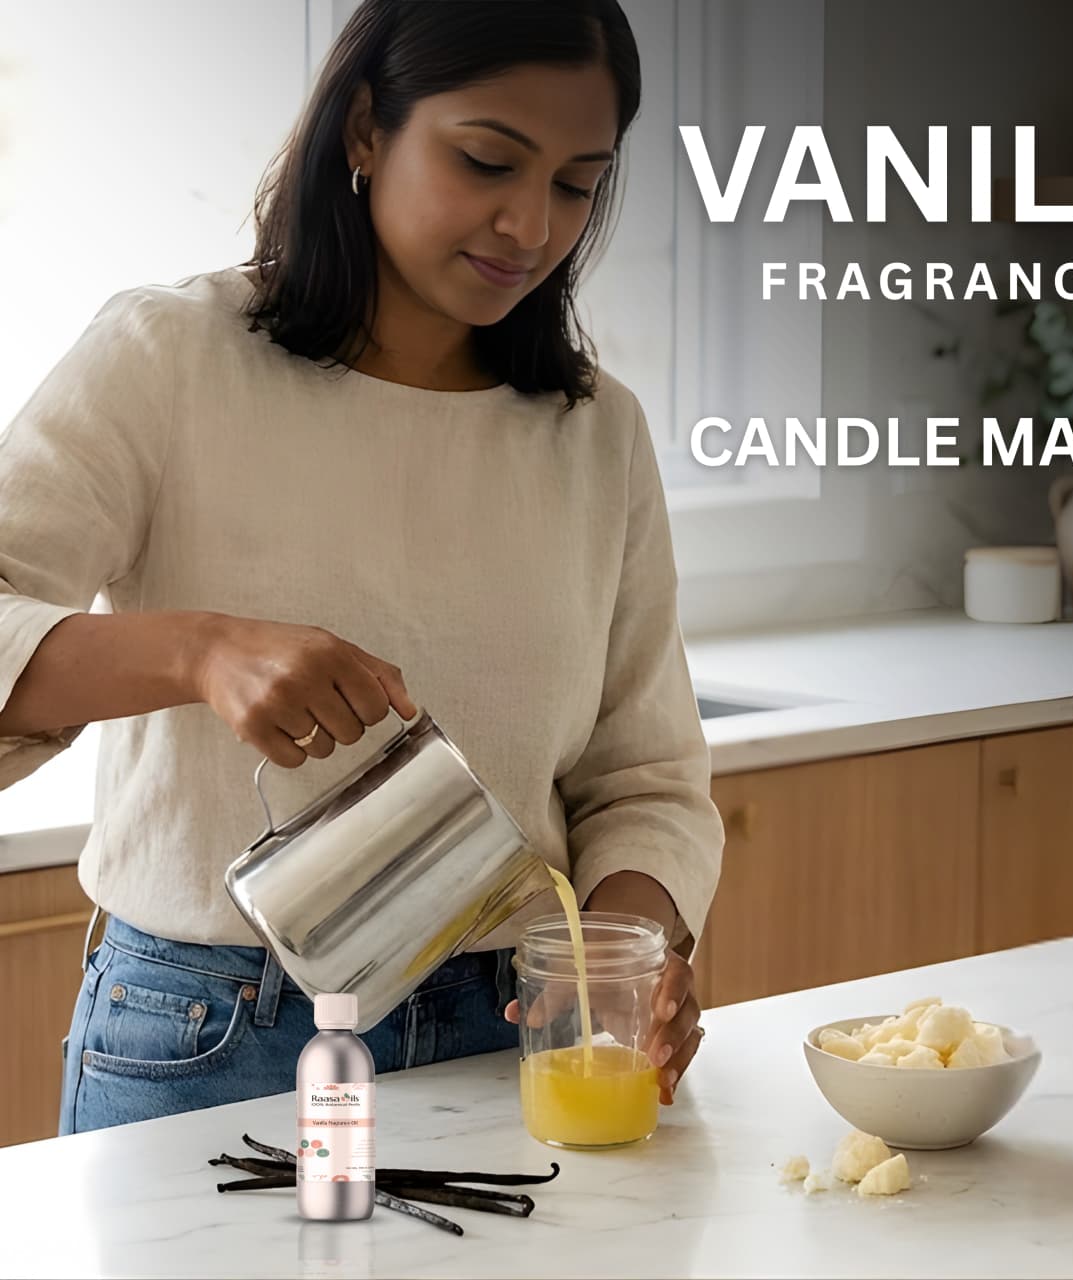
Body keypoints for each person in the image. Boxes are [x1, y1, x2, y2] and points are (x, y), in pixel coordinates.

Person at [0, 0, 723, 1135]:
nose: (530, 225)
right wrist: (198, 649)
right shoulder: (167, 359)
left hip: (511, 1029)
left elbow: (646, 779)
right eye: (487, 160)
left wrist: (623, 958)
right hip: (217, 1034)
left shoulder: (595, 434)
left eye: (578, 183)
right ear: (363, 131)